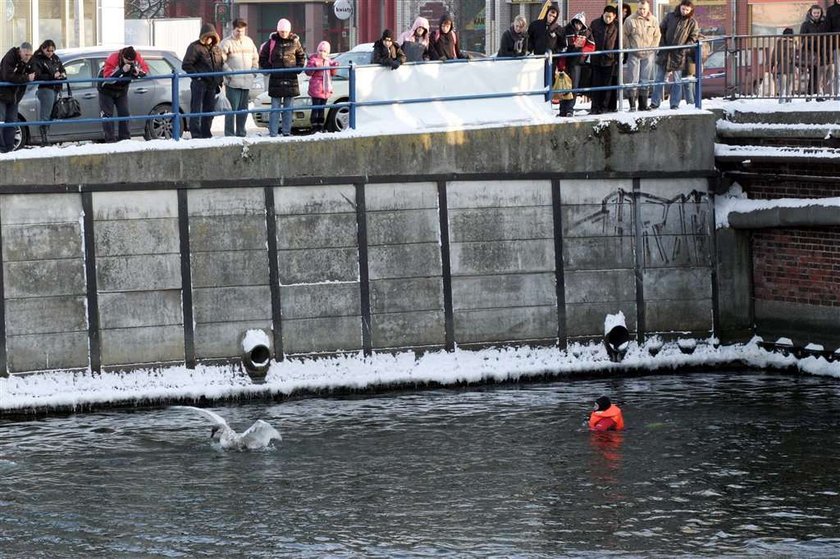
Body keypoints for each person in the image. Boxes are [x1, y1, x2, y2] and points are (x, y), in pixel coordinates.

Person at [259, 18, 306, 137]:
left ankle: (286, 131)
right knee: (275, 108)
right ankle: (273, 132)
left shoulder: (295, 42)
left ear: (289, 31)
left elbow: (301, 56)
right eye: (281, 31)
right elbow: (263, 57)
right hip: (276, 79)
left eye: (285, 31)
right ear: (278, 30)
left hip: (290, 78)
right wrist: (269, 68)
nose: (283, 33)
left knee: (288, 109)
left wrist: (298, 68)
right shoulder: (272, 42)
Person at [650, 0, 699, 110]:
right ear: (680, 7)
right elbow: (660, 30)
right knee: (659, 79)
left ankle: (674, 104)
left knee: (677, 80)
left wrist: (684, 48)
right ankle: (655, 102)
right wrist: (662, 45)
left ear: (691, 10)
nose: (684, 11)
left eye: (687, 10)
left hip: (679, 54)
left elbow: (693, 37)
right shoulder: (670, 16)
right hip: (665, 52)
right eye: (683, 9)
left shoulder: (692, 22)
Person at [97, 46, 149, 143]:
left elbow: (146, 70)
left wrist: (138, 72)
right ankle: (110, 140)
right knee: (107, 115)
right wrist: (121, 70)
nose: (129, 63)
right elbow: (107, 77)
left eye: (131, 62)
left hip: (121, 90)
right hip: (106, 89)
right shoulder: (113, 58)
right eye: (127, 61)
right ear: (123, 56)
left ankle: (125, 138)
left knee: (124, 113)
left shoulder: (137, 57)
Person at [182, 23, 224, 139]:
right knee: (197, 109)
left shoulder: (217, 49)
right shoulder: (195, 47)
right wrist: (198, 77)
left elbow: (220, 65)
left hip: (212, 84)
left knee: (209, 110)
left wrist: (220, 80)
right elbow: (186, 64)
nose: (209, 39)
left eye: (211, 37)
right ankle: (196, 133)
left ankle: (206, 132)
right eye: (207, 37)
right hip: (199, 84)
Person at [219, 18, 260, 137]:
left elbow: (255, 58)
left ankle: (241, 132)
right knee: (231, 110)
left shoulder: (249, 42)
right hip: (233, 82)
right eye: (238, 31)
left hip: (246, 81)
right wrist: (229, 73)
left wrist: (254, 71)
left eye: (242, 31)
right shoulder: (226, 43)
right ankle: (230, 133)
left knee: (243, 110)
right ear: (233, 29)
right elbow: (221, 61)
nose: (240, 33)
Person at [623, 0, 660, 111]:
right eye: (640, 9)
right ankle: (632, 105)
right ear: (637, 8)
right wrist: (629, 47)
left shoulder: (653, 20)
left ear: (648, 9)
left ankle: (643, 105)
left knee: (645, 79)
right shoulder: (630, 20)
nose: (642, 11)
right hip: (634, 53)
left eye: (644, 9)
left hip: (648, 53)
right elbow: (624, 34)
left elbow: (657, 36)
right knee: (632, 79)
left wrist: (652, 48)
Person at [0, 42, 34, 153]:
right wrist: (26, 78)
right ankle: (1, 148)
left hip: (15, 97)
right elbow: (7, 76)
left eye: (30, 55)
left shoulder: (29, 61)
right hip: (2, 95)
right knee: (1, 122)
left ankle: (9, 148)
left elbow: (35, 72)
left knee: (12, 123)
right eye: (26, 55)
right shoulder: (10, 57)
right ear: (20, 51)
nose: (28, 58)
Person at [558, 12, 593, 117]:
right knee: (563, 86)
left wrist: (583, 51)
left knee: (574, 86)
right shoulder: (565, 30)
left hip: (577, 63)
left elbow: (591, 46)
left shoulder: (587, 32)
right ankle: (562, 110)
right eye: (576, 23)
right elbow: (560, 46)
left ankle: (570, 109)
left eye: (580, 24)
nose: (578, 26)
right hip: (564, 62)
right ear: (573, 22)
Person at [31, 39, 66, 146]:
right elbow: (37, 76)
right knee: (45, 115)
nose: (50, 52)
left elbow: (62, 68)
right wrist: (52, 76)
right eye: (48, 50)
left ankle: (46, 136)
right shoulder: (37, 59)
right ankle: (44, 139)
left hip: (56, 88)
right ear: (43, 48)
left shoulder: (55, 57)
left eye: (52, 50)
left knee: (51, 114)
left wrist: (63, 74)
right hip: (46, 89)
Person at [589, 5, 620, 114]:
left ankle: (604, 107)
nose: (607, 19)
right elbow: (590, 40)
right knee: (596, 84)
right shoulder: (595, 23)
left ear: (614, 16)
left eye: (610, 17)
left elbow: (618, 43)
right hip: (596, 59)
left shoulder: (617, 26)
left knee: (607, 86)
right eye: (606, 16)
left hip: (610, 60)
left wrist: (617, 58)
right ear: (603, 14)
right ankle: (594, 107)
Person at [305, 41, 338, 133]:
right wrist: (314, 66)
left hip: (325, 89)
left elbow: (333, 74)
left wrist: (334, 67)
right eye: (320, 50)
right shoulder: (313, 60)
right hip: (316, 88)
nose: (322, 53)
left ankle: (321, 126)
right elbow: (308, 72)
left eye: (324, 51)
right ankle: (314, 126)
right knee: (316, 107)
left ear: (328, 53)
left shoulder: (329, 61)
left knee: (322, 108)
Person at [800, 4, 829, 101]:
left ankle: (813, 94)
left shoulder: (824, 23)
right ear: (811, 13)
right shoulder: (806, 24)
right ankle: (812, 94)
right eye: (815, 13)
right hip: (810, 52)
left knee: (818, 74)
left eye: (818, 13)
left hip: (821, 51)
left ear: (821, 13)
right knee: (813, 73)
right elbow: (802, 37)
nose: (816, 14)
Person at [771, 28, 796, 103]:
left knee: (782, 88)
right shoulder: (794, 43)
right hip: (791, 67)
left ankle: (782, 102)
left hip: (781, 67)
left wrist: (773, 64)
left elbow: (776, 55)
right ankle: (788, 102)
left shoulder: (780, 42)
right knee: (789, 87)